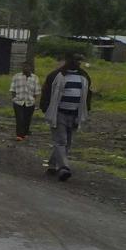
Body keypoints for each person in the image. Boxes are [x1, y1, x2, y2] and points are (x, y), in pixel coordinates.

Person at [41, 53, 92, 182]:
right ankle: (64, 168)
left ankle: (52, 166)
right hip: (59, 113)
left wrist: (86, 111)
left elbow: (87, 95)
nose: (77, 63)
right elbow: (46, 92)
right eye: (75, 60)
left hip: (75, 114)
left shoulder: (84, 76)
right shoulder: (56, 75)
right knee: (61, 141)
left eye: (79, 60)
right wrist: (45, 108)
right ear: (68, 61)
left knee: (66, 143)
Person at [9, 61, 41, 141]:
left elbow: (36, 91)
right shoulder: (16, 76)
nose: (25, 68)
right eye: (23, 67)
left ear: (30, 68)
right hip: (18, 101)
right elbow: (12, 89)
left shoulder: (35, 78)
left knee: (27, 119)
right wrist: (14, 98)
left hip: (30, 102)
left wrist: (33, 100)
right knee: (19, 118)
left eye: (27, 67)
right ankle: (19, 135)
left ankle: (25, 133)